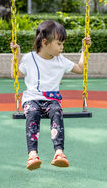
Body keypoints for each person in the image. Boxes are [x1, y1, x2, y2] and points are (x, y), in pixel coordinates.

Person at [11, 20, 91, 171]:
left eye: (62, 44)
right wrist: (16, 56)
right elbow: (15, 74)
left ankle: (59, 152)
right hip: (32, 99)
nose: (62, 47)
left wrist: (84, 49)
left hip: (51, 100)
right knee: (32, 113)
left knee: (56, 111)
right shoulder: (29, 58)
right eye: (59, 44)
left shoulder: (61, 60)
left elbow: (81, 69)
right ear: (45, 42)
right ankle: (33, 154)